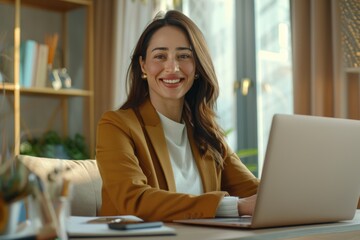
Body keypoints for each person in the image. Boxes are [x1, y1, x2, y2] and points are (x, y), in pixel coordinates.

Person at [96, 10, 259, 222]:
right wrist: (234, 206)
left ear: (197, 67)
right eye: (160, 56)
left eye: (184, 56)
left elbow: (256, 192)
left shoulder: (208, 134)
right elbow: (134, 201)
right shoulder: (116, 125)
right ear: (143, 65)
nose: (172, 67)